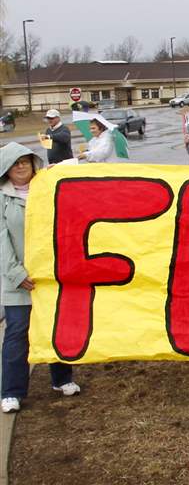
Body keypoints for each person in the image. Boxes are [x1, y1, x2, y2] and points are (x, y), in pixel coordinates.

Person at [0, 143, 81, 413]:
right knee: (17, 333)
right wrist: (16, 274)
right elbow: (2, 241)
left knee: (56, 327)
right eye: (15, 163)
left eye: (25, 161)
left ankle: (62, 379)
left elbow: (84, 177)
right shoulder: (2, 198)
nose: (21, 166)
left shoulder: (48, 188)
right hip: (18, 281)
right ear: (6, 169)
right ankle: (12, 391)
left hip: (50, 277)